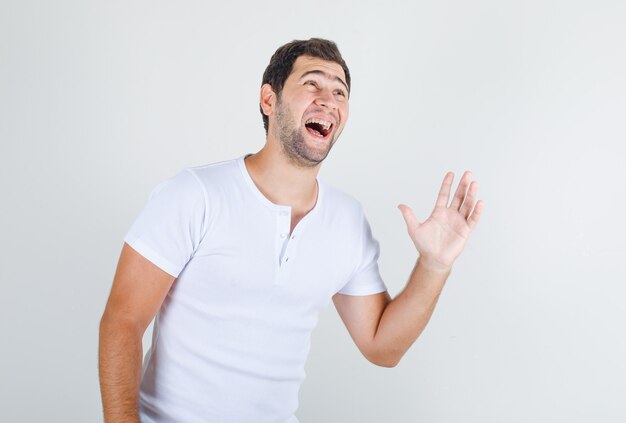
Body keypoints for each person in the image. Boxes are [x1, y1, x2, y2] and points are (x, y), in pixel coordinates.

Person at [98, 38, 483, 423]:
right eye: (312, 84)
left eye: (339, 91)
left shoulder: (346, 221)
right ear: (270, 100)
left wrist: (434, 266)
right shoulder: (195, 195)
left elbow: (382, 347)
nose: (328, 99)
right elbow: (123, 322)